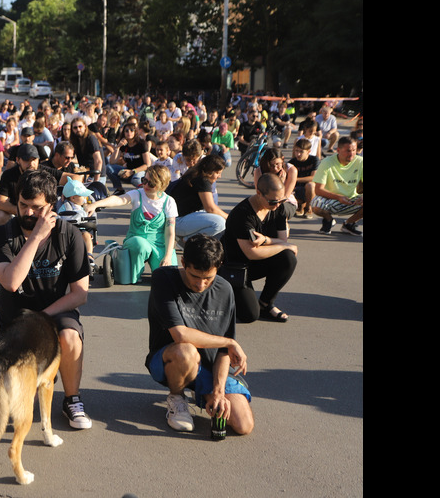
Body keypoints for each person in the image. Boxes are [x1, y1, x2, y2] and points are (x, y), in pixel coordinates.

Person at [0, 170, 92, 430]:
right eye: (23, 205)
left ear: (51, 206)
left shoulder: (70, 235)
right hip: (16, 319)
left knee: (70, 336)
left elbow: (80, 293)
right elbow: (11, 282)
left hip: (55, 312)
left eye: (37, 207)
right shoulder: (1, 235)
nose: (29, 213)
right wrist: (34, 237)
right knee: (18, 408)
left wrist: (43, 316)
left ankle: (72, 399)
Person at [145, 234, 254, 435]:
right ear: (183, 262)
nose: (201, 285)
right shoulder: (163, 278)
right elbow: (180, 335)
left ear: (219, 266)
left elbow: (223, 351)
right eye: (195, 276)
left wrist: (218, 392)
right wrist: (229, 341)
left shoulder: (225, 289)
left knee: (243, 425)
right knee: (186, 351)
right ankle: (177, 398)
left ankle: (204, 392)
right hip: (170, 360)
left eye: (208, 278)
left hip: (209, 367)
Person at [222, 174, 299, 323]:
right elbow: (252, 253)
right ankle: (225, 294)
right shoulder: (242, 214)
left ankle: (265, 303)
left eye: (281, 200)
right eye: (272, 201)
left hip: (258, 262)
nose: (277, 205)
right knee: (249, 315)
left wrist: (267, 240)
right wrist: (282, 245)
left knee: (288, 257)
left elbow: (282, 241)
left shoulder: (279, 207)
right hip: (235, 267)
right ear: (259, 193)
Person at [86, 165, 178, 283]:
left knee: (168, 278)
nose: (145, 185)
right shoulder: (138, 194)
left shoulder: (169, 202)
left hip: (159, 243)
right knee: (141, 246)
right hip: (136, 239)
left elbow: (170, 232)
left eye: (151, 183)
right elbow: (119, 200)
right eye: (144, 180)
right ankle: (135, 272)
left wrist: (168, 256)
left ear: (162, 185)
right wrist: (95, 204)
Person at [169, 154, 228, 242]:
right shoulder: (202, 180)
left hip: (174, 220)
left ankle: (186, 238)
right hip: (177, 222)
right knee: (220, 223)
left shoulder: (194, 173)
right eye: (218, 173)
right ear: (210, 171)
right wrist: (230, 218)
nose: (219, 176)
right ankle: (188, 241)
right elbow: (210, 208)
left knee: (214, 216)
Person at [311, 136, 363, 236]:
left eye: (354, 150)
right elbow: (318, 190)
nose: (352, 154)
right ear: (338, 150)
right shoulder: (327, 162)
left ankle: (348, 224)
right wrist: (338, 197)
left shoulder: (360, 161)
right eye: (348, 151)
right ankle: (329, 220)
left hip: (351, 199)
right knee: (315, 204)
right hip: (330, 199)